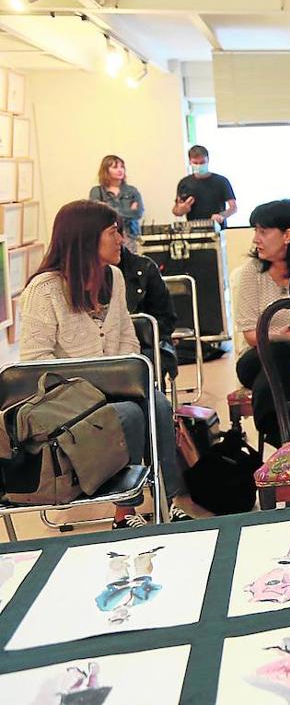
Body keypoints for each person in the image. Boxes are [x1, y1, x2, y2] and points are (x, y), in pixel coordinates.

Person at [19, 201, 194, 528]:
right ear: (86, 239)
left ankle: (165, 503)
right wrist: (93, 386)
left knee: (155, 402)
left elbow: (127, 339)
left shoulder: (113, 277)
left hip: (111, 391)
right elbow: (35, 364)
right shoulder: (44, 291)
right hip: (64, 404)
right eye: (113, 232)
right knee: (128, 414)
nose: (121, 241)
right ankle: (124, 513)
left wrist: (124, 381)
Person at [231, 199, 290, 447]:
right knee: (280, 352)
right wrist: (284, 336)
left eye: (263, 232)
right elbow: (251, 335)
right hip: (257, 357)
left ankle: (281, 431)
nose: (256, 239)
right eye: (255, 231)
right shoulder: (251, 273)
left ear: (288, 234)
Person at [118, 246, 179, 387]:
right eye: (112, 232)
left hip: (145, 346)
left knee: (146, 363)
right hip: (100, 354)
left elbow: (166, 319)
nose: (119, 239)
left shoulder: (144, 267)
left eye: (120, 232)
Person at [88, 155, 144, 248]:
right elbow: (97, 216)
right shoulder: (97, 191)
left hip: (131, 237)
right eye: (115, 167)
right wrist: (127, 211)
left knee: (130, 261)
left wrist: (110, 210)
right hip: (107, 238)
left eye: (122, 167)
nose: (120, 170)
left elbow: (138, 213)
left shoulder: (132, 191)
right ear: (105, 170)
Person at [171, 145, 237, 224]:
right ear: (190, 162)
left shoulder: (221, 181)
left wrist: (221, 215)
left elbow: (233, 208)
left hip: (217, 229)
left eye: (202, 162)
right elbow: (176, 210)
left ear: (208, 160)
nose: (199, 166)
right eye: (195, 163)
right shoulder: (184, 183)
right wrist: (181, 209)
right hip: (193, 230)